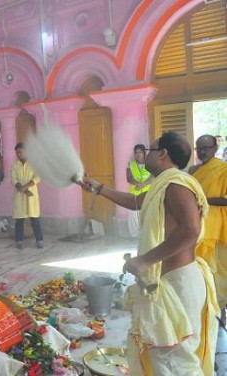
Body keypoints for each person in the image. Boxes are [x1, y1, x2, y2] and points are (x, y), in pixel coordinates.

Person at [79, 131, 218, 375]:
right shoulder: (163, 185)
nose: (145, 156)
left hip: (179, 284)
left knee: (175, 360)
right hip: (167, 282)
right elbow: (136, 202)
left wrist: (145, 260)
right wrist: (99, 188)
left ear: (163, 154)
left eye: (151, 151)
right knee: (162, 357)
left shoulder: (176, 185)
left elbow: (190, 229)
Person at [189, 135, 227, 309]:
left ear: (215, 148)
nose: (202, 152)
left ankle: (218, 311)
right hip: (196, 225)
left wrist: (203, 199)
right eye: (199, 148)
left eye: (206, 148)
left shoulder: (223, 170)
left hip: (216, 227)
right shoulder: (193, 170)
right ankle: (203, 309)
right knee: (199, 270)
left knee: (216, 272)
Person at [11, 142, 43, 249]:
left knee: (34, 218)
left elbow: (37, 178)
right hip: (19, 195)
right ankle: (19, 241)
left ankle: (39, 240)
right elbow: (13, 179)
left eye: (20, 152)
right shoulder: (15, 165)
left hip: (31, 195)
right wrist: (20, 187)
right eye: (17, 153)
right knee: (19, 219)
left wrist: (26, 186)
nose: (18, 154)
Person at [126, 144, 152, 238]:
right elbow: (128, 178)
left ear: (144, 153)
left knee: (147, 213)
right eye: (136, 152)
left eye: (140, 152)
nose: (138, 154)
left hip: (147, 192)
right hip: (135, 192)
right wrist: (136, 183)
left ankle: (147, 235)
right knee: (134, 215)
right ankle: (134, 236)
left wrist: (144, 184)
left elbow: (153, 177)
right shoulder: (131, 164)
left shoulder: (150, 163)